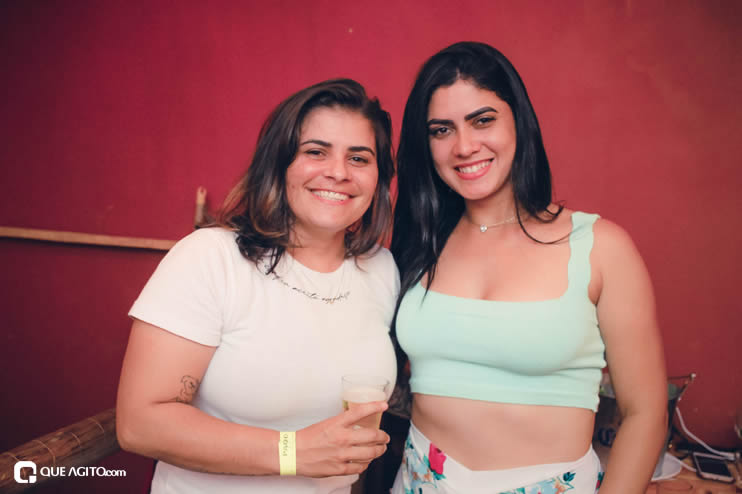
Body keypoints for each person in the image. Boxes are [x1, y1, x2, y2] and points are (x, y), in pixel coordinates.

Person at [388, 42, 667, 493]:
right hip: (418, 482)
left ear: (518, 120)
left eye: (483, 120)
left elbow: (646, 412)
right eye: (442, 130)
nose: (464, 146)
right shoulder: (419, 244)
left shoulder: (600, 247)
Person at [116, 78, 400, 494]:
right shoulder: (210, 258)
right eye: (316, 152)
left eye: (358, 158)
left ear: (378, 179)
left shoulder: (381, 269)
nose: (338, 172)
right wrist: (292, 452)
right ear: (279, 164)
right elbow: (139, 424)